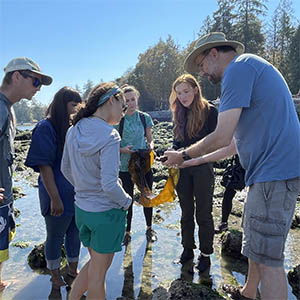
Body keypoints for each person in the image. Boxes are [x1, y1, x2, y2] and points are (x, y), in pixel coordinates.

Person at [163, 32, 300, 300]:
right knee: (255, 246)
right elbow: (232, 146)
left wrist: (182, 154)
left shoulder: (237, 70)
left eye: (201, 64)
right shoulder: (249, 68)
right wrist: (190, 160)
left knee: (269, 260)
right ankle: (248, 292)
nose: (201, 72)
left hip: (274, 173)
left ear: (214, 53)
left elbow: (221, 135)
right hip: (268, 173)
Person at [61, 82, 132, 300]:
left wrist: (84, 189)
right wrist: (127, 201)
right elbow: (109, 184)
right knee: (98, 277)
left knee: (94, 265)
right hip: (106, 213)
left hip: (82, 210)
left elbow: (65, 169)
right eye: (123, 105)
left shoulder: (74, 130)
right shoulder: (110, 135)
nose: (124, 111)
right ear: (111, 100)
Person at [0, 57, 52, 291]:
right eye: (35, 82)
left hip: (4, 193)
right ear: (16, 76)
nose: (38, 88)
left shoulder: (8, 110)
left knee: (2, 241)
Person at [25, 87, 82, 290]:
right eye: (73, 105)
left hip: (77, 193)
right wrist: (54, 197)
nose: (78, 109)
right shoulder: (45, 127)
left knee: (75, 234)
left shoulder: (74, 127)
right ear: (62, 105)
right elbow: (44, 166)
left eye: (79, 105)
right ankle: (55, 276)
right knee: (55, 235)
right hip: (56, 191)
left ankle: (73, 271)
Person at [169, 74, 218, 272]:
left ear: (196, 89)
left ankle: (205, 254)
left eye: (186, 91)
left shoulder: (210, 111)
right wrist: (171, 154)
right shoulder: (178, 112)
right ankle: (187, 248)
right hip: (183, 169)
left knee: (204, 213)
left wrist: (187, 154)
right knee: (186, 212)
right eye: (179, 93)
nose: (182, 96)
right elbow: (177, 141)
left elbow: (217, 141)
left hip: (203, 167)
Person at [116, 84, 156, 245]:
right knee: (127, 199)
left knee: (147, 196)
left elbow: (150, 139)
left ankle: (149, 228)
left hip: (143, 165)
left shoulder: (144, 117)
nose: (131, 103)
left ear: (137, 99)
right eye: (127, 100)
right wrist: (123, 150)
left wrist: (151, 147)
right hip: (125, 167)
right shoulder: (118, 120)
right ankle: (127, 231)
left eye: (133, 99)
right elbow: (111, 145)